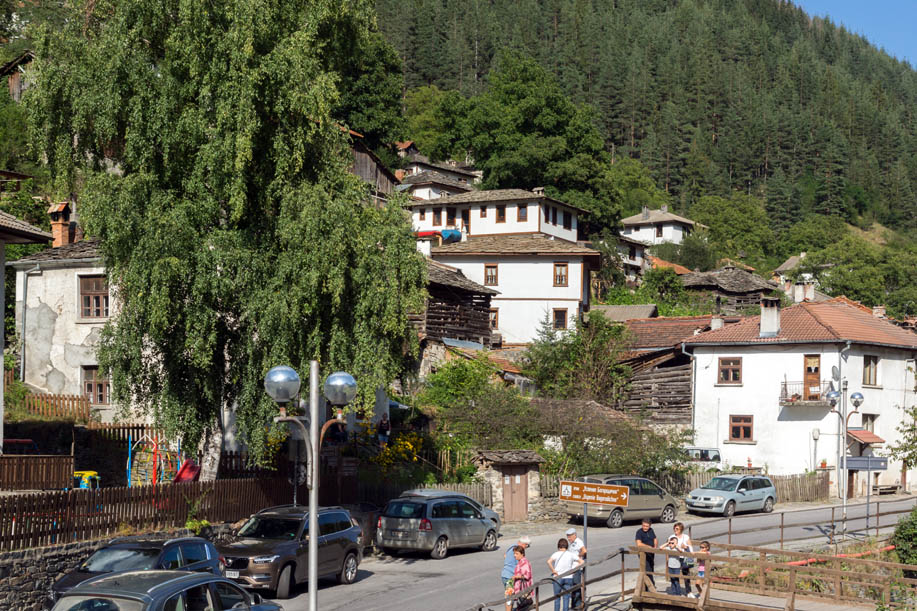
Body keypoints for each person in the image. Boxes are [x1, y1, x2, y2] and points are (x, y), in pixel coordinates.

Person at [547, 538, 583, 611]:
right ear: (567, 546)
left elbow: (549, 562)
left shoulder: (556, 554)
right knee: (566, 598)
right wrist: (573, 570)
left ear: (558, 546)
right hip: (568, 577)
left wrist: (553, 570)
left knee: (557, 598)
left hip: (558, 577)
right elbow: (581, 562)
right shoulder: (571, 554)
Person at [502, 536, 531, 610]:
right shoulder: (516, 551)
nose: (526, 548)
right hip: (510, 576)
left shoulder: (511, 547)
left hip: (505, 574)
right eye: (527, 546)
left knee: (509, 596)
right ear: (524, 544)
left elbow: (505, 556)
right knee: (509, 598)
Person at [565, 528, 587, 609]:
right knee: (573, 587)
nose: (568, 538)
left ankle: (577, 606)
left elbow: (584, 551)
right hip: (572, 567)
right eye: (568, 536)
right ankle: (575, 605)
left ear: (574, 535)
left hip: (576, 567)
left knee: (576, 586)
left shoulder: (578, 541)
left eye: (570, 536)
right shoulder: (572, 543)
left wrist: (578, 556)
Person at [634, 518, 658, 589]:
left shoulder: (651, 530)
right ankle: (650, 587)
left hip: (651, 553)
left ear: (650, 526)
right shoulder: (639, 532)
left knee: (651, 568)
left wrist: (655, 547)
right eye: (643, 526)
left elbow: (655, 538)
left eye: (646, 526)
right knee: (647, 569)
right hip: (643, 554)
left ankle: (649, 586)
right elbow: (639, 543)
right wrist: (649, 547)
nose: (645, 527)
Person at [672, 522, 693, 597]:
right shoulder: (672, 537)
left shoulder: (686, 537)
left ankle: (689, 592)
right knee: (675, 574)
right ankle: (677, 592)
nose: (675, 530)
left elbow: (691, 548)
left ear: (681, 529)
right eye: (674, 528)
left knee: (686, 574)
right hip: (676, 558)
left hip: (684, 558)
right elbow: (669, 547)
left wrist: (686, 547)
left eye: (677, 528)